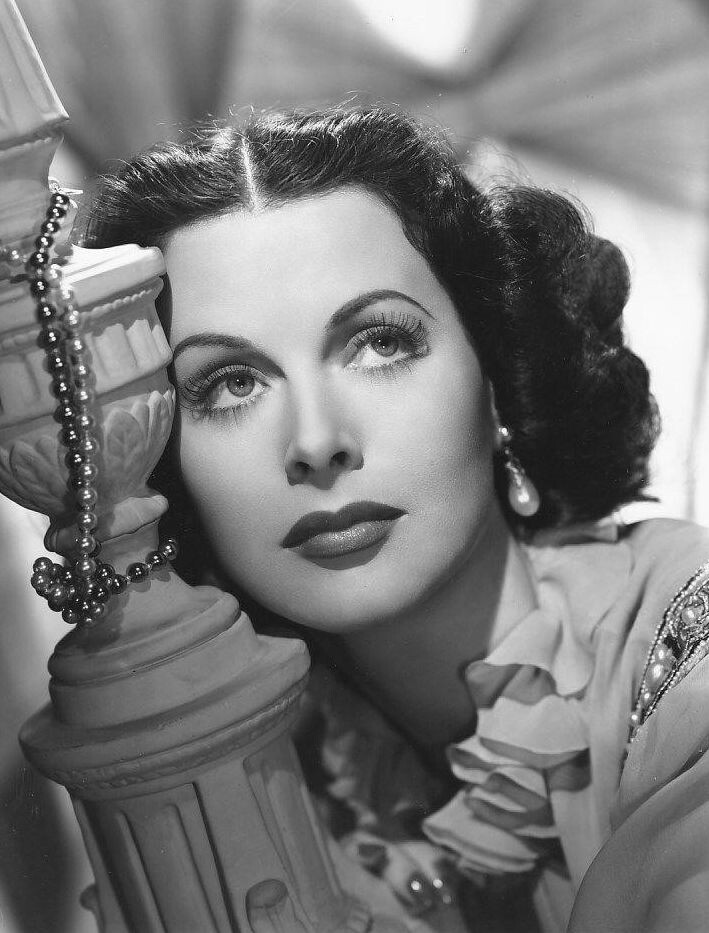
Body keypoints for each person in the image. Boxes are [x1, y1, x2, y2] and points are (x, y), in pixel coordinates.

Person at [84, 106, 709, 932]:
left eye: (379, 342)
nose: (315, 442)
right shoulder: (255, 781)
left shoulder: (683, 663)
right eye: (231, 383)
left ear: (497, 381)